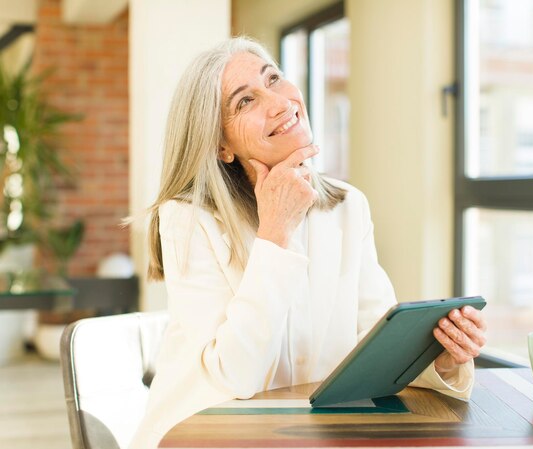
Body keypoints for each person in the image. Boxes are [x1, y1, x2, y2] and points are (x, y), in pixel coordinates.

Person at [129, 36, 486, 449]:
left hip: (310, 435)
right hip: (204, 435)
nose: (280, 102)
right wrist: (275, 232)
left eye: (274, 78)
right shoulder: (186, 218)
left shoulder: (348, 206)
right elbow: (234, 376)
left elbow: (372, 344)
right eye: (245, 101)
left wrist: (440, 357)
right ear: (220, 145)